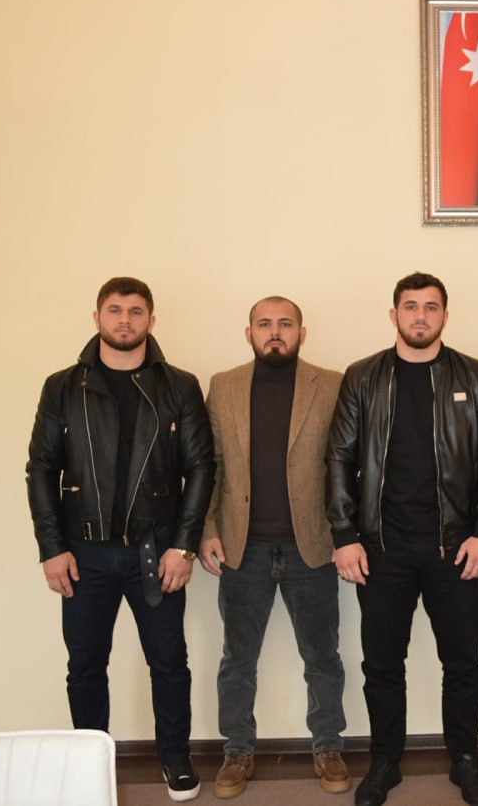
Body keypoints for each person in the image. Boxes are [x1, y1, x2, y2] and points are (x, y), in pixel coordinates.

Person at [26, 276, 214, 802]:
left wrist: (184, 546)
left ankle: (175, 758)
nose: (125, 320)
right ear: (97, 318)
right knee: (85, 667)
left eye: (135, 311)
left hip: (156, 552)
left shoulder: (179, 386)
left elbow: (201, 467)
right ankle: (90, 767)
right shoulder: (62, 387)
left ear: (151, 319)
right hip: (82, 553)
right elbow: (41, 469)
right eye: (115, 310)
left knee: (169, 663)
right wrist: (51, 548)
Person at [328, 272, 478, 806]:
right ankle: (385, 761)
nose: (421, 316)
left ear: (445, 316)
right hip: (381, 550)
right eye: (411, 306)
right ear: (394, 316)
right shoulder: (363, 377)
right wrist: (344, 533)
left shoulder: (473, 375)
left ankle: (465, 759)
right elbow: (338, 456)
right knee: (382, 665)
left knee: (464, 664)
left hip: (455, 549)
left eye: (431, 307)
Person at [199, 296, 349, 798]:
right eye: (264, 324)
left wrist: (347, 534)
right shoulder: (223, 385)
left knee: (322, 656)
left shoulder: (331, 384)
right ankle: (237, 750)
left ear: (302, 333)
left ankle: (328, 746)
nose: (275, 332)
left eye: (286, 323)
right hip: (243, 547)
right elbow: (211, 465)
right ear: (249, 333)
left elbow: (345, 463)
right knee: (237, 659)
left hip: (312, 545)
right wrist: (207, 527)